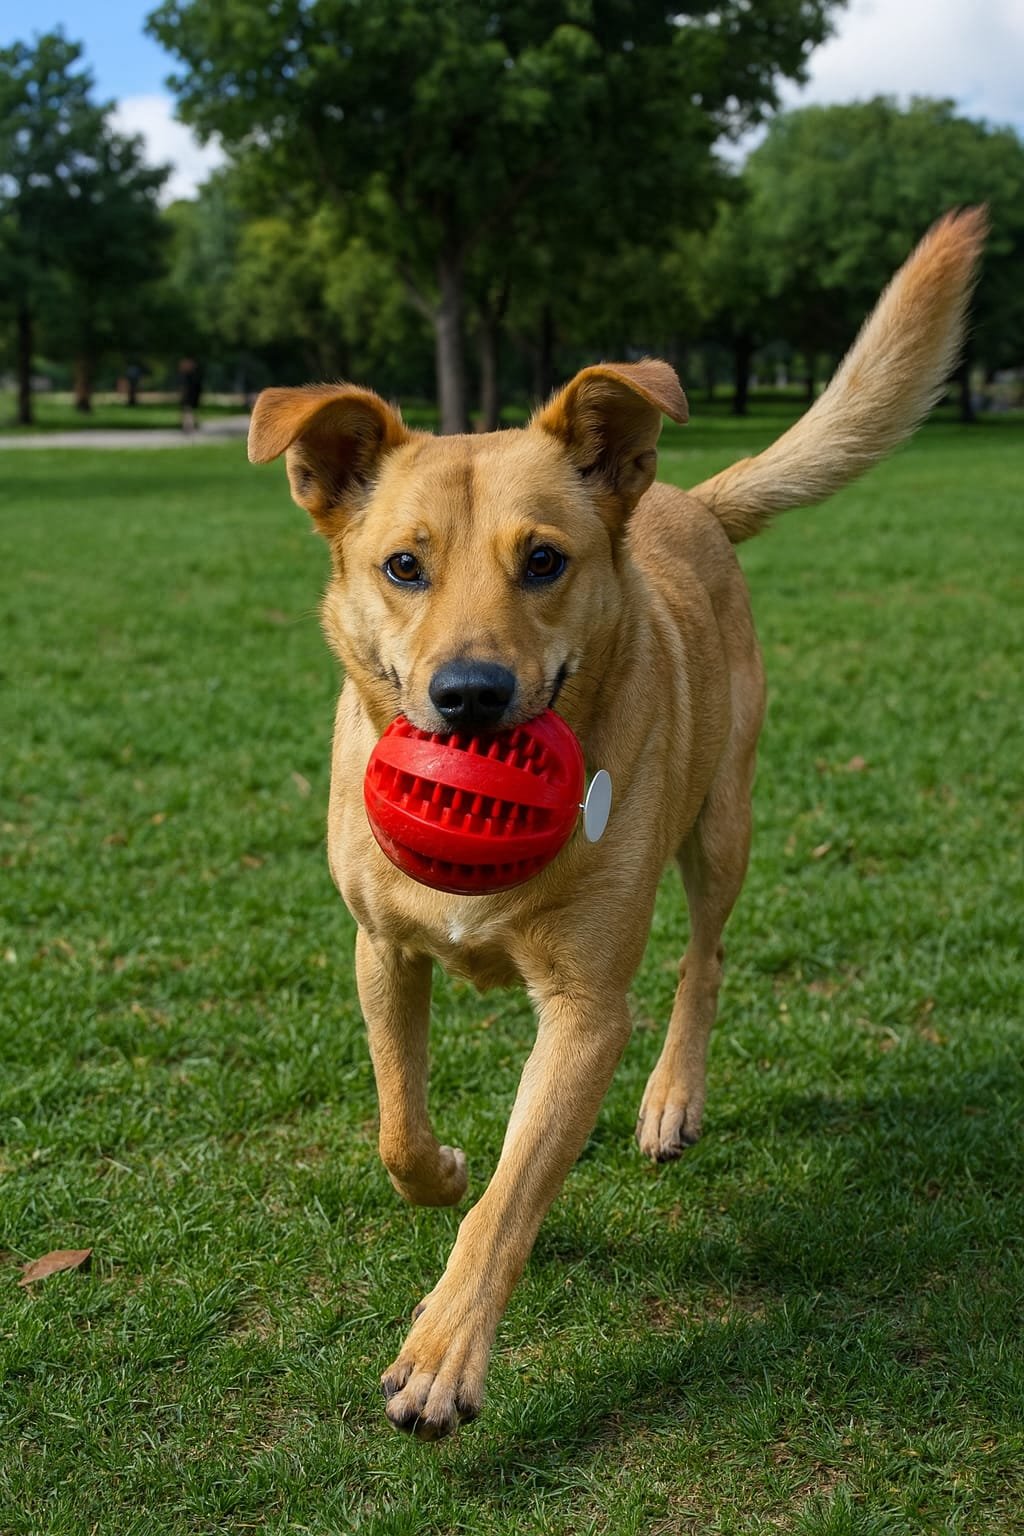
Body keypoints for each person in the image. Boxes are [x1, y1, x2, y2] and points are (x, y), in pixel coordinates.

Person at [178, 357, 203, 433]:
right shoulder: (192, 375)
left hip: (189, 397)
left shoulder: (190, 376)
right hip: (190, 397)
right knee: (188, 412)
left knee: (188, 412)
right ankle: (190, 426)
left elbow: (186, 388)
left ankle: (188, 427)